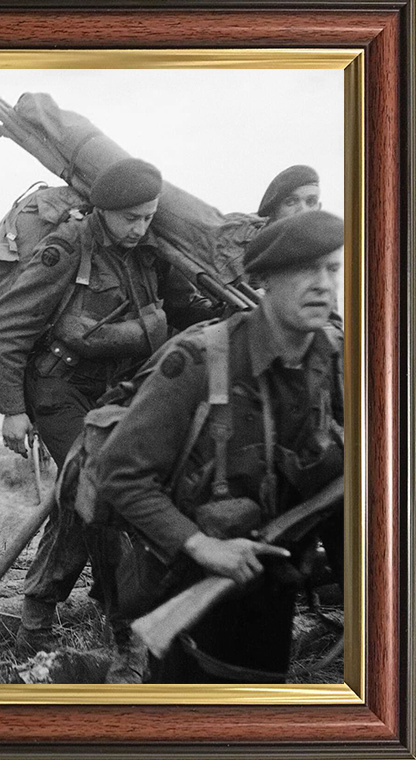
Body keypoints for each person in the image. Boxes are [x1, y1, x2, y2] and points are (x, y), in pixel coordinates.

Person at [96, 210, 344, 683]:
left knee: (258, 692)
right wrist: (200, 545)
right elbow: (120, 474)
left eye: (331, 269)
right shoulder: (198, 361)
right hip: (190, 575)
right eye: (304, 270)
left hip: (275, 577)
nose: (322, 284)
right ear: (266, 279)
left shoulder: (335, 360)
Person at [0, 158, 214, 655]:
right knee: (95, 492)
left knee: (89, 498)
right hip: (58, 388)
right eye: (130, 217)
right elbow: (7, 329)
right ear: (104, 210)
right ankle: (64, 621)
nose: (140, 227)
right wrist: (12, 409)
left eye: (149, 216)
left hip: (118, 393)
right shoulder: (67, 248)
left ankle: (87, 609)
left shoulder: (152, 253)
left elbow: (184, 309)